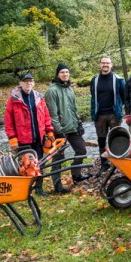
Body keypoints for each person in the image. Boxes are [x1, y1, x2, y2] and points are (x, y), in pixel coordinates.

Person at [4, 72, 56, 195]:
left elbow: (46, 116)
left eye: (31, 81)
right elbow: (8, 121)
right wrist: (12, 139)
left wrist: (49, 132)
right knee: (25, 166)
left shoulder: (39, 98)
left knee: (39, 164)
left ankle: (39, 189)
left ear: (34, 83)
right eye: (26, 81)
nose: (28, 83)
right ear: (20, 83)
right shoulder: (13, 99)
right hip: (23, 140)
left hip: (38, 139)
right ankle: (24, 191)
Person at [45, 64, 89, 194]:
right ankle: (57, 185)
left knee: (81, 150)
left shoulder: (69, 89)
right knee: (58, 157)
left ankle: (76, 175)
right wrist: (59, 131)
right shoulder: (52, 91)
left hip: (73, 127)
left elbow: (74, 109)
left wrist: (79, 123)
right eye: (62, 72)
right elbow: (52, 115)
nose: (65, 74)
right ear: (57, 74)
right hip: (59, 130)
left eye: (67, 72)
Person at [90, 56, 126, 172]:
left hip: (114, 114)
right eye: (103, 63)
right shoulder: (94, 80)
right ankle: (104, 164)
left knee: (116, 139)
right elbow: (93, 95)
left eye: (107, 63)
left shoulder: (119, 80)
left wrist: (119, 108)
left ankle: (117, 164)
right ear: (100, 64)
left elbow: (124, 96)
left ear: (111, 64)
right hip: (99, 115)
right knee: (101, 140)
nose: (105, 65)